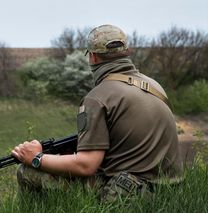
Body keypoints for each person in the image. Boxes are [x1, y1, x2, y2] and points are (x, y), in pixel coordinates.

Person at [11, 24, 183, 201]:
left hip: (130, 193)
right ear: (127, 51)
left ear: (92, 57)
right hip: (170, 190)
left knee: (27, 172)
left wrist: (37, 158)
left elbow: (86, 165)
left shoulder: (97, 98)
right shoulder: (154, 86)